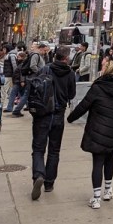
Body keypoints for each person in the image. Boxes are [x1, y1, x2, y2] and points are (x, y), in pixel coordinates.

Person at [66, 60, 113, 209]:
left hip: (97, 129)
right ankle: (108, 191)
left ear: (106, 70)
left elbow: (83, 106)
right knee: (110, 159)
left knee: (97, 162)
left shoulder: (97, 87)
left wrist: (70, 118)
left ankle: (96, 198)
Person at [31, 47, 77, 200]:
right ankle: (49, 183)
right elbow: (72, 94)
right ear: (66, 58)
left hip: (42, 114)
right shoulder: (70, 73)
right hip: (58, 114)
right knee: (54, 150)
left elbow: (35, 88)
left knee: (38, 149)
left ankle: (38, 174)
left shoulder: (45, 69)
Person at [13, 42, 50, 117]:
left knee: (28, 95)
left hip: (33, 78)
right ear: (41, 49)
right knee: (27, 95)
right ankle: (17, 110)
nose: (45, 52)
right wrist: (39, 73)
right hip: (32, 79)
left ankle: (21, 109)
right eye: (45, 50)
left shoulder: (39, 55)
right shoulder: (36, 55)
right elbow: (33, 66)